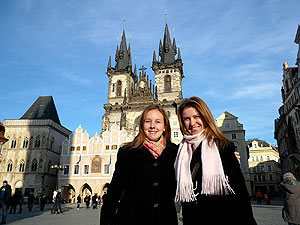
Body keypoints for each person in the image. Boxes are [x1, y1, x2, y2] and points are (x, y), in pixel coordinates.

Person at [174, 97, 257, 225]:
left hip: (220, 218)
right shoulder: (181, 151)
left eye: (197, 117)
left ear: (205, 117)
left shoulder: (222, 147)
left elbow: (240, 193)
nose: (192, 123)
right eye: (187, 119)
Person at [100, 104, 178, 225]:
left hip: (165, 219)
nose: (152, 126)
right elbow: (114, 193)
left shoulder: (176, 152)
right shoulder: (127, 152)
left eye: (158, 122)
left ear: (165, 127)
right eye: (148, 121)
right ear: (142, 125)